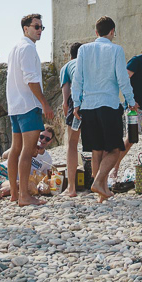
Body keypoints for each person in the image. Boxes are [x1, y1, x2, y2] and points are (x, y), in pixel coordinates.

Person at [71, 16, 136, 202]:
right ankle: (99, 182)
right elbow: (122, 78)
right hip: (108, 104)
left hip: (88, 105)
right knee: (115, 149)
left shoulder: (83, 49)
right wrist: (130, 100)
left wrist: (76, 103)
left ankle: (101, 194)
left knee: (97, 149)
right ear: (112, 32)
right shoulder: (116, 49)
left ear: (96, 32)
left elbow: (78, 79)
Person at [5, 13, 55, 207]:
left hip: (15, 106)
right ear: (26, 28)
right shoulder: (27, 48)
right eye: (36, 27)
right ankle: (24, 196)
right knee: (27, 151)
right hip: (28, 105)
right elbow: (30, 79)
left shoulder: (15, 48)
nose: (40, 30)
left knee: (15, 149)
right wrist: (44, 103)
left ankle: (14, 194)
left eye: (42, 27)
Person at [112, 36, 142, 179]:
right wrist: (129, 100)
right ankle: (114, 167)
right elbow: (123, 79)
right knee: (131, 139)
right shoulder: (137, 61)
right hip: (135, 108)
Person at [0, 128, 55, 199]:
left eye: (47, 139)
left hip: (10, 179)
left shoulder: (47, 159)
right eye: (41, 137)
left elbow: (45, 179)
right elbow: (4, 155)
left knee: (23, 185)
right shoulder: (25, 146)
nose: (43, 140)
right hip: (0, 167)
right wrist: (24, 147)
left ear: (50, 141)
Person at [59, 42, 83, 197]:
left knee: (72, 144)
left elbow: (66, 95)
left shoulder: (67, 66)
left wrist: (66, 107)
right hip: (96, 100)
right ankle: (99, 184)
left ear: (71, 55)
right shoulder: (88, 62)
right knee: (96, 145)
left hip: (77, 102)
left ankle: (72, 188)